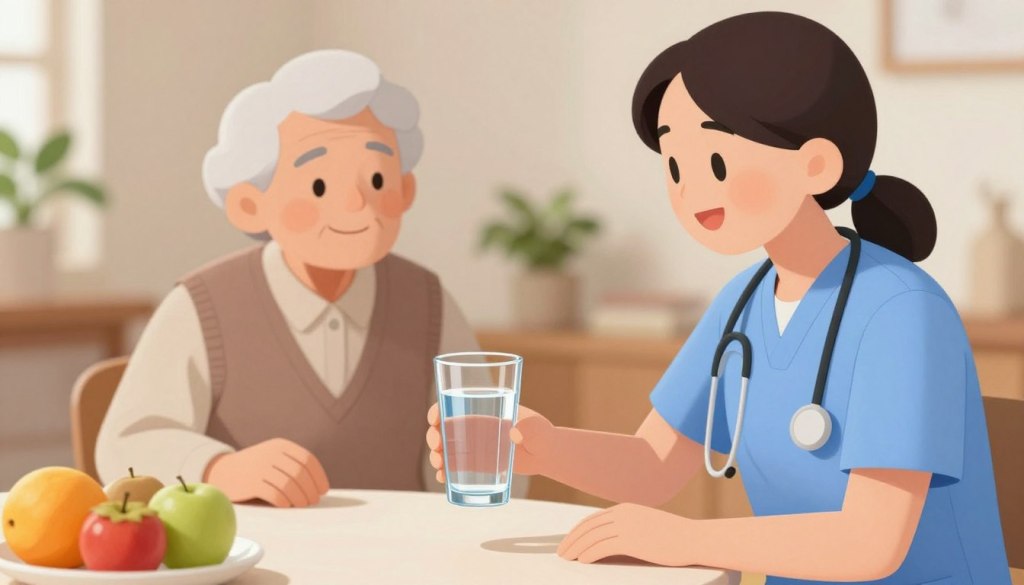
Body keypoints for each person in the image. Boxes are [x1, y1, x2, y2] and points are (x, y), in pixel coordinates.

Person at [427, 12, 1010, 584]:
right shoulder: (744, 302)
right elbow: (654, 465)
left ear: (815, 163)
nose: (690, 188)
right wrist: (546, 448)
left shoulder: (903, 311)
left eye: (714, 160)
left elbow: (870, 543)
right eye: (675, 163)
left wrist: (683, 540)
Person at [97, 49, 479, 508]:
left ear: (406, 189)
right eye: (319, 186)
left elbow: (484, 465)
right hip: (254, 564)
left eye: (377, 180)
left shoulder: (428, 304)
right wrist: (218, 468)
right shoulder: (204, 307)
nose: (358, 204)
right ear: (250, 204)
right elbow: (127, 444)